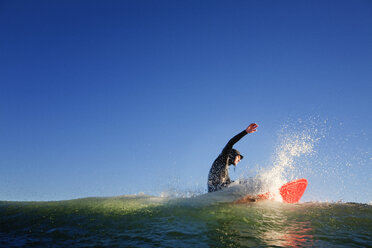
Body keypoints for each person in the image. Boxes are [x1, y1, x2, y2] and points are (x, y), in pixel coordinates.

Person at [207, 123, 258, 193]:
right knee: (245, 182)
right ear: (233, 155)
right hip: (217, 189)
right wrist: (245, 132)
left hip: (216, 190)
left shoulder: (225, 169)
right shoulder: (223, 158)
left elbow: (229, 182)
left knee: (236, 183)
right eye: (239, 157)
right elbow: (230, 143)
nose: (239, 160)